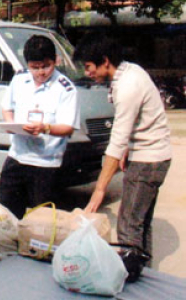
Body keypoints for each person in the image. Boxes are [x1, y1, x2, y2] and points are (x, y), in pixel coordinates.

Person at [73, 34, 171, 260]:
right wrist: (128, 148)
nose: (87, 73)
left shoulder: (128, 86)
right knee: (140, 223)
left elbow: (116, 142)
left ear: (105, 61)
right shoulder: (129, 71)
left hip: (148, 161)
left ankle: (131, 278)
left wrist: (99, 190)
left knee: (128, 226)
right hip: (155, 155)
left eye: (89, 67)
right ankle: (143, 274)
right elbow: (138, 122)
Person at [0, 35, 80, 219]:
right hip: (17, 157)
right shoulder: (19, 80)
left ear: (55, 60)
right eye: (35, 67)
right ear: (27, 64)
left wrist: (45, 128)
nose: (41, 72)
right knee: (6, 215)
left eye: (46, 66)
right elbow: (6, 106)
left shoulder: (65, 89)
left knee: (41, 223)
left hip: (46, 164)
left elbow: (68, 127)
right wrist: (11, 123)